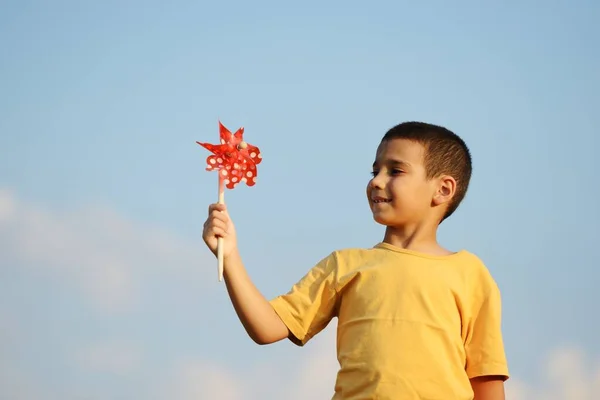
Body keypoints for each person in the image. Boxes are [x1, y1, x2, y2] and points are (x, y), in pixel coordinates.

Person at [202, 121, 509, 399]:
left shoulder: (470, 274)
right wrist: (230, 256)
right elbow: (267, 328)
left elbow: (487, 385)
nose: (377, 181)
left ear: (443, 189)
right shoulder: (344, 266)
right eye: (375, 171)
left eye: (395, 170)